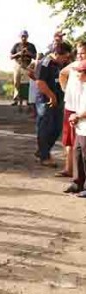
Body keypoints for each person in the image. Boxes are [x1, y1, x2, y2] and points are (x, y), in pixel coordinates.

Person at [35, 42, 72, 168]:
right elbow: (40, 82)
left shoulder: (60, 64)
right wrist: (51, 96)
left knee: (57, 128)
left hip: (59, 100)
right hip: (46, 100)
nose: (65, 60)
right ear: (56, 54)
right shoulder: (45, 63)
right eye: (64, 57)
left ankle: (42, 151)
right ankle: (44, 156)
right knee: (45, 128)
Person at [57, 42, 86, 178]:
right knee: (70, 141)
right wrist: (65, 89)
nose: (80, 56)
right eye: (79, 53)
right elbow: (62, 73)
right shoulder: (74, 65)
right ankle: (70, 169)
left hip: (82, 110)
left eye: (83, 53)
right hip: (71, 106)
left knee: (81, 143)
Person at [63, 60, 86, 195]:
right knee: (78, 154)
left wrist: (77, 116)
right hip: (80, 127)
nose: (77, 74)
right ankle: (77, 183)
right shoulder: (82, 87)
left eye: (79, 71)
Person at [10, 30, 37, 106]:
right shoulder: (16, 45)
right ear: (20, 37)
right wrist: (19, 53)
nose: (23, 38)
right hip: (18, 64)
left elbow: (35, 56)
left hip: (27, 64)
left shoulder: (31, 46)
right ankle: (16, 99)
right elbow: (11, 56)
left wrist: (28, 53)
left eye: (25, 36)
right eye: (22, 36)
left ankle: (27, 99)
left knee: (27, 84)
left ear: (27, 37)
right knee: (16, 82)